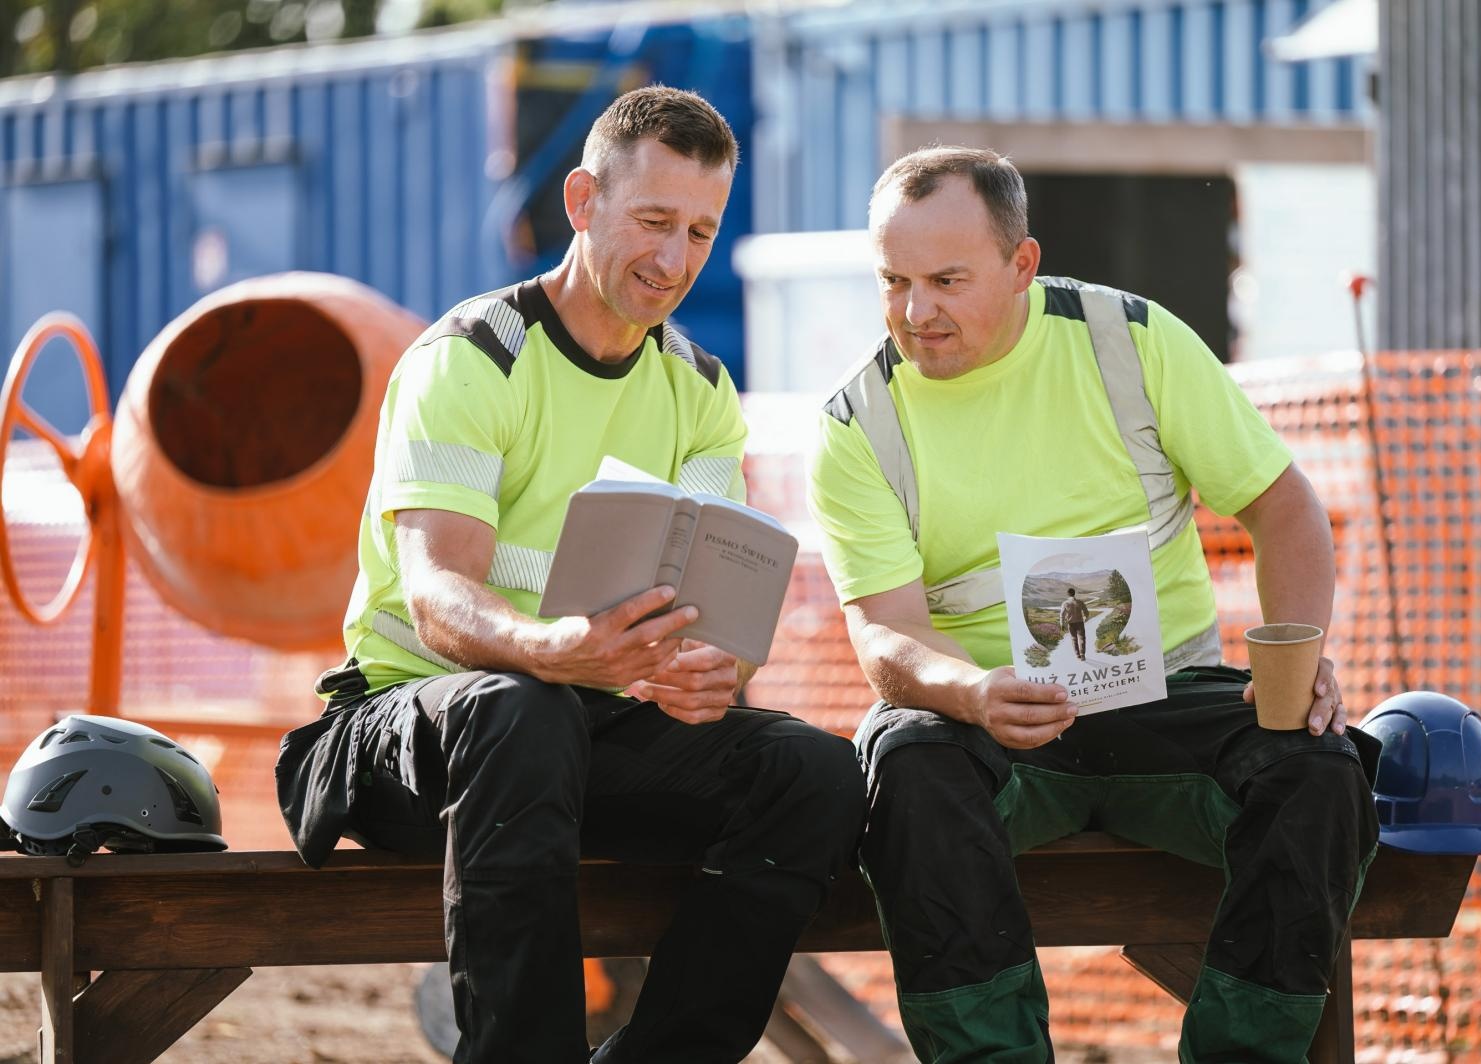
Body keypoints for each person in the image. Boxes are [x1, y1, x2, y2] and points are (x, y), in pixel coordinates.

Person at [276, 87, 865, 1064]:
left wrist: (701, 668)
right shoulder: (468, 360)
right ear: (583, 199)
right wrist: (554, 648)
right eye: (652, 221)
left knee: (813, 770)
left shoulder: (701, 389)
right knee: (525, 705)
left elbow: (696, 612)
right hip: (403, 728)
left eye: (699, 231)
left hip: (582, 737)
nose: (673, 259)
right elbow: (438, 592)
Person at [806, 146, 1379, 1063]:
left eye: (948, 279)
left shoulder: (1133, 339)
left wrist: (1295, 660)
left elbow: (1283, 507)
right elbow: (884, 634)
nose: (918, 312)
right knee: (906, 759)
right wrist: (971, 693)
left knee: (1318, 767)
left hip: (1166, 701)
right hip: (989, 730)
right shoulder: (854, 424)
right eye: (894, 281)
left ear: (1022, 264)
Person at [1058, 587, 1088, 661]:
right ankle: (1082, 655)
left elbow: (1062, 614)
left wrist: (1062, 624)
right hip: (1080, 623)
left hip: (1071, 624)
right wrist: (1085, 618)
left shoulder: (1065, 603)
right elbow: (1086, 612)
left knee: (1074, 639)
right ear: (1074, 593)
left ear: (1068, 594)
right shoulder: (1080, 602)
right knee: (1082, 638)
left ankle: (1077, 655)